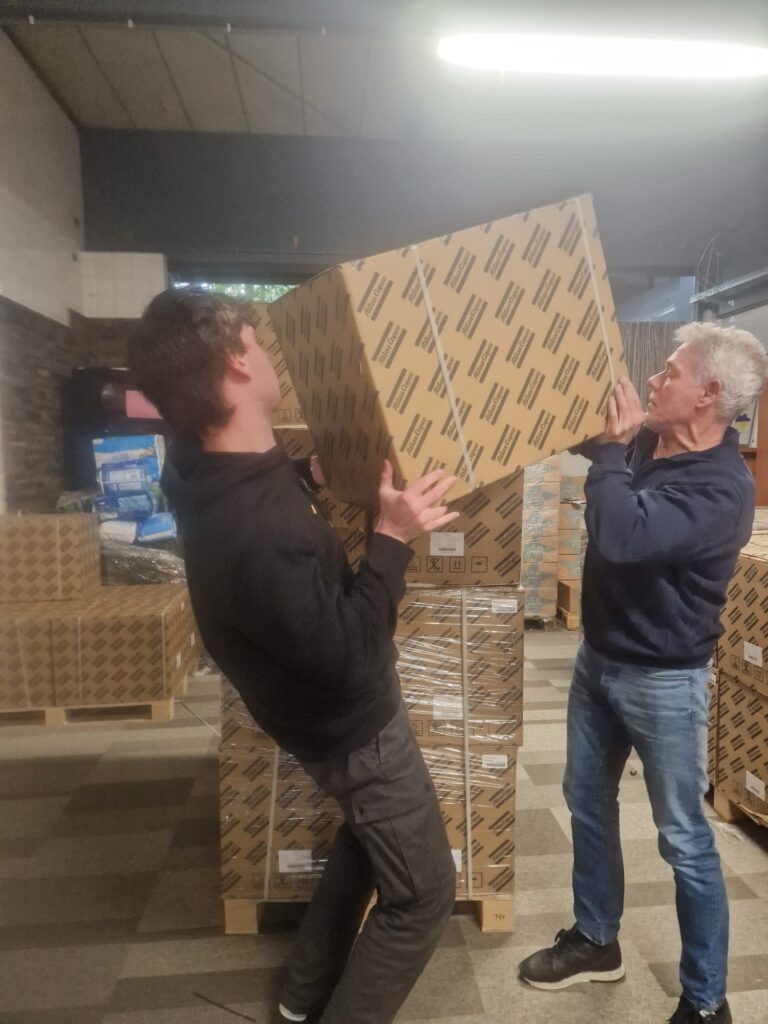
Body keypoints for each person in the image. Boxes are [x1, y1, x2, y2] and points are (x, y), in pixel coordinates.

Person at [128, 288, 459, 1024]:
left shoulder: (204, 465)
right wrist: (392, 540)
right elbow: (353, 654)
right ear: (236, 362)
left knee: (369, 838)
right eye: (256, 338)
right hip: (355, 728)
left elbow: (257, 489)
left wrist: (307, 474)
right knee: (422, 894)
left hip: (310, 720)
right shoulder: (260, 532)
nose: (267, 349)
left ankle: (301, 999)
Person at [518, 322, 768, 1024]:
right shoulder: (649, 442)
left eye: (670, 372)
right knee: (586, 800)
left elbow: (622, 535)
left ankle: (707, 1001)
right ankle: (597, 940)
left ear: (709, 393)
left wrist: (607, 451)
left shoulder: (722, 490)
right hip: (598, 659)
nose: (654, 380)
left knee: (683, 837)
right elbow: (579, 437)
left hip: (663, 681)